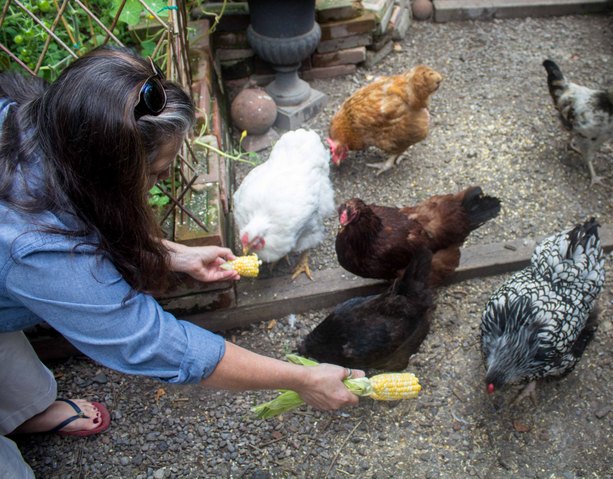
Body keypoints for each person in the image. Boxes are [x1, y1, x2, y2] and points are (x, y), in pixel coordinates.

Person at [0, 46, 363, 478]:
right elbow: (152, 341)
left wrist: (178, 255)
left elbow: (83, 221)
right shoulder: (36, 249)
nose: (159, 183)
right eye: (156, 173)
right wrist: (302, 379)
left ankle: (28, 410)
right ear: (108, 172)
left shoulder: (40, 126)